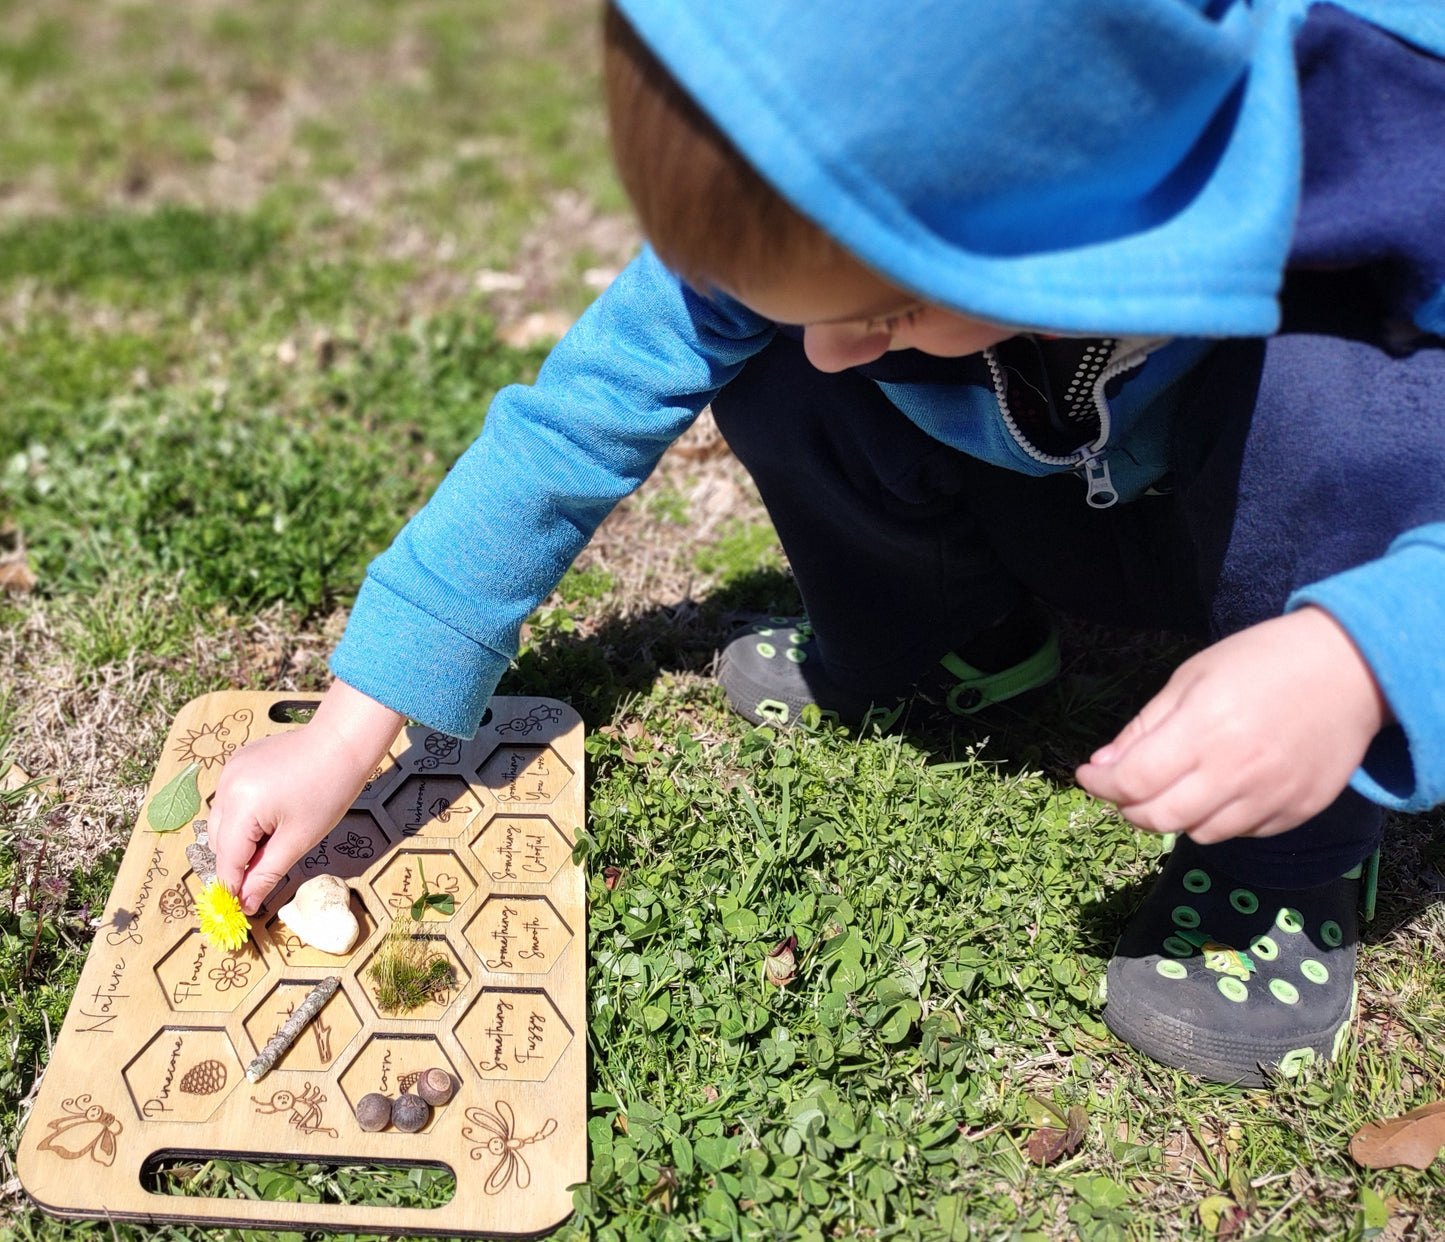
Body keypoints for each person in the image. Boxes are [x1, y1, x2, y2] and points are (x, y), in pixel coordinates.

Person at [211, 0, 1445, 1085]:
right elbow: (572, 423)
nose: (840, 344)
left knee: (1349, 396)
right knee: (774, 374)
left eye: (884, 307)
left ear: (1060, 207)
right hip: (1056, 487)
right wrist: (350, 725)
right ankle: (945, 639)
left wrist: (1359, 655)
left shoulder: (1390, 137)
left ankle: (1290, 854)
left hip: (1293, 546)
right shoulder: (800, 175)